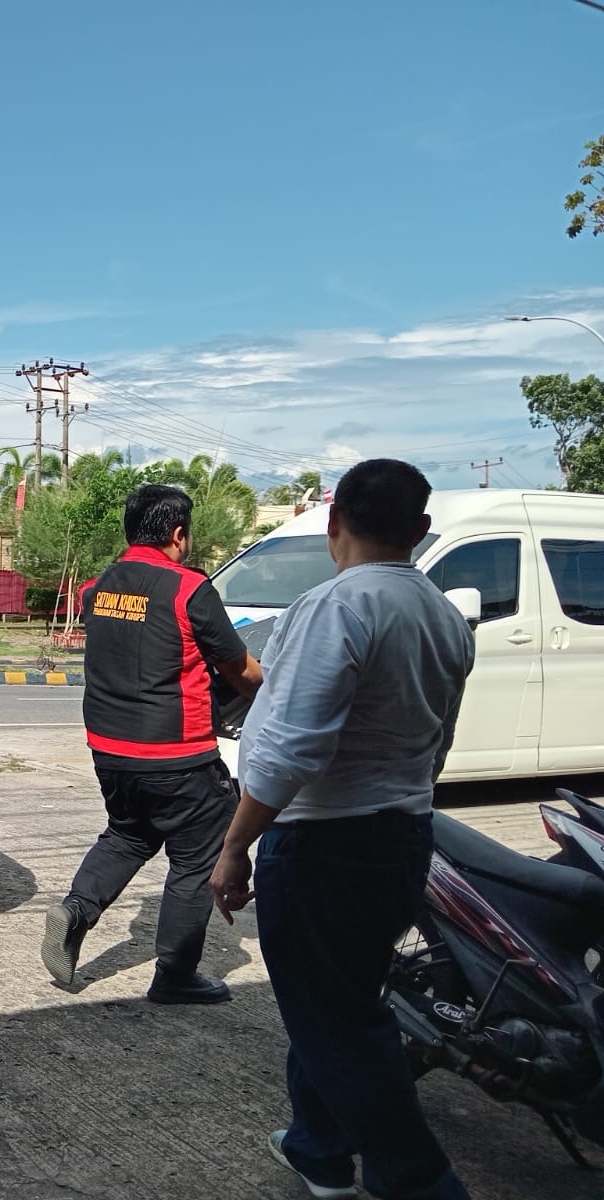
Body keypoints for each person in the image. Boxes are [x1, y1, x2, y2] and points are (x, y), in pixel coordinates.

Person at [209, 459, 475, 1200]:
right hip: (400, 837)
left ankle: (417, 1182)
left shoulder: (335, 606)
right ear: (420, 531)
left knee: (340, 1024)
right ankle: (317, 1148)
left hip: (326, 843)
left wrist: (235, 848)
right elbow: (438, 740)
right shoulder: (444, 615)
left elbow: (292, 745)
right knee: (335, 1000)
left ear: (335, 524)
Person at [41, 483, 261, 1004]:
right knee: (196, 860)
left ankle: (76, 909)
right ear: (179, 534)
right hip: (178, 755)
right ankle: (175, 975)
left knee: (129, 834)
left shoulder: (97, 588)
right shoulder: (189, 589)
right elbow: (242, 671)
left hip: (110, 749)